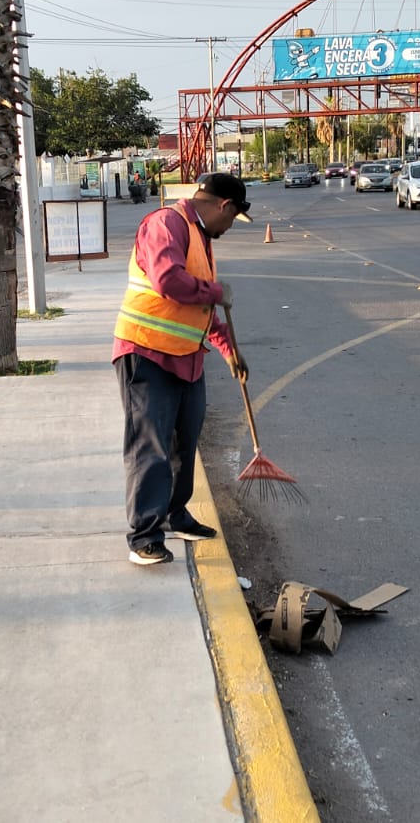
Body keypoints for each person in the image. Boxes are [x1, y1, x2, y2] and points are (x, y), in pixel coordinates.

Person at [113, 173, 251, 566]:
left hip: (186, 358)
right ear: (224, 205)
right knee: (150, 447)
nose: (230, 227)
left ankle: (175, 514)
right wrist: (217, 291)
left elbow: (200, 308)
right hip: (147, 354)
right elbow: (169, 281)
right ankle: (145, 537)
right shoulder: (166, 223)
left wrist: (228, 349)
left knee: (184, 444)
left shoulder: (201, 237)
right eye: (233, 218)